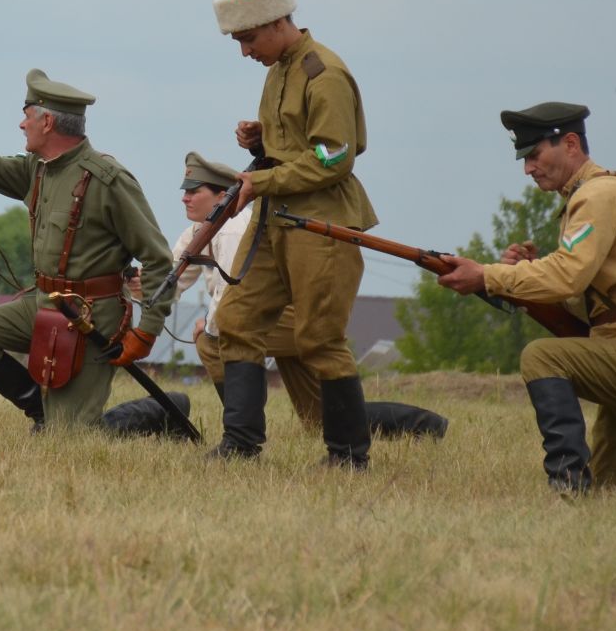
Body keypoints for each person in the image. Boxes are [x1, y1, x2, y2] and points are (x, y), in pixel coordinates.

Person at [437, 102, 616, 492]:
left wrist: (489, 276)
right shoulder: (598, 194)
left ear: (569, 143)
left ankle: (567, 484)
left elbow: (566, 276)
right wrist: (523, 274)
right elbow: (597, 299)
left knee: (541, 356)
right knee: (615, 494)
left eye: (534, 155)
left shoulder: (597, 195)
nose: (528, 168)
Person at [0, 69, 174, 432]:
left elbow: (158, 258)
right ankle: (41, 412)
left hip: (92, 318)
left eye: (27, 115)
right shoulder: (37, 169)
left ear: (47, 121)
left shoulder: (108, 180)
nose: (21, 124)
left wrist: (146, 332)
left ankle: (162, 412)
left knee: (71, 441)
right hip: (43, 304)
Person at [209, 0, 374, 468]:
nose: (244, 51)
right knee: (235, 321)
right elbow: (298, 145)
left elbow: (332, 160)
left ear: (278, 22)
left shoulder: (324, 74)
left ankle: (348, 455)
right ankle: (241, 446)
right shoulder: (277, 70)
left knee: (319, 338)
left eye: (248, 38)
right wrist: (261, 141)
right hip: (274, 220)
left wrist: (259, 181)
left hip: (321, 225)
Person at [169, 151, 446, 440]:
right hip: (278, 322)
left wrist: (210, 325)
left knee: (214, 339)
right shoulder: (198, 233)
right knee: (320, 419)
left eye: (193, 191)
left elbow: (234, 294)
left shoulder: (233, 231)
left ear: (222, 196)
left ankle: (242, 430)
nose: (185, 198)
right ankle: (422, 425)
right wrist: (134, 285)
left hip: (284, 318)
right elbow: (170, 281)